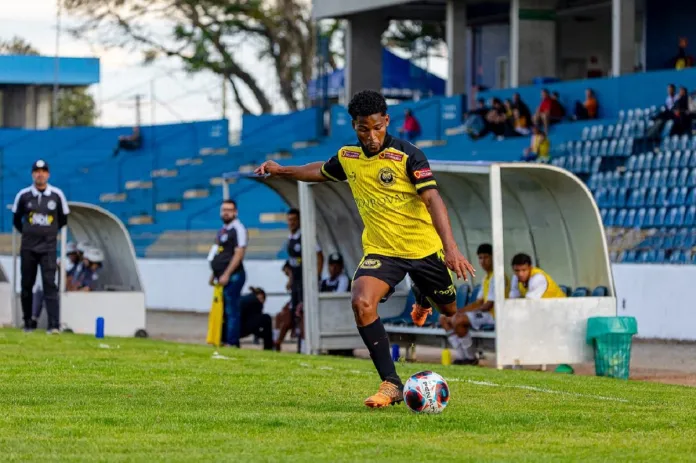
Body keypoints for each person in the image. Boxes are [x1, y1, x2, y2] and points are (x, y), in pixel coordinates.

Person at [255, 90, 475, 408]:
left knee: (451, 311)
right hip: (382, 251)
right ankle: (391, 383)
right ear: (354, 126)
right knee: (361, 302)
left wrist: (451, 249)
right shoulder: (349, 157)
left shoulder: (408, 155)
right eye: (363, 128)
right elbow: (319, 171)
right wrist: (282, 170)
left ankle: (424, 295)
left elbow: (433, 200)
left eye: (376, 127)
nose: (371, 136)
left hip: (424, 250)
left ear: (386, 121)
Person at [12, 160, 69, 334]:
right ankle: (28, 322)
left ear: (48, 174)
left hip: (48, 249)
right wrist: (30, 233)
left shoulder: (57, 195)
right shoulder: (23, 195)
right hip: (28, 248)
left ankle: (54, 324)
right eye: (37, 171)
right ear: (32, 174)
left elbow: (63, 219)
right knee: (26, 284)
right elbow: (16, 220)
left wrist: (47, 234)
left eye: (43, 171)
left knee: (50, 284)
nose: (40, 174)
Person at [439, 244, 509, 365]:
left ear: (494, 257)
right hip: (486, 314)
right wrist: (459, 311)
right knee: (444, 318)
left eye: (486, 257)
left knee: (459, 321)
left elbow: (488, 306)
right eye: (480, 258)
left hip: (496, 316)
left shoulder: (498, 277)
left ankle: (470, 358)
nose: (483, 261)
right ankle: (461, 355)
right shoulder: (486, 277)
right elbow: (479, 302)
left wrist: (464, 314)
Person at [276, 208, 324, 353]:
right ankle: (281, 343)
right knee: (291, 313)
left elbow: (320, 256)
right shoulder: (290, 238)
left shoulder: (306, 237)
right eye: (289, 220)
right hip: (296, 283)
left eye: (294, 220)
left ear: (300, 221)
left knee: (302, 313)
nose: (291, 222)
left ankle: (304, 346)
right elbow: (291, 263)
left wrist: (315, 277)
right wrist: (290, 276)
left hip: (305, 282)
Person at [208, 200, 248, 347]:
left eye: (229, 210)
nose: (226, 213)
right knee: (224, 310)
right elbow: (218, 253)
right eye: (224, 210)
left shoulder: (238, 229)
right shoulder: (223, 230)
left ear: (235, 212)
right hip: (222, 275)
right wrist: (214, 274)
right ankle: (222, 339)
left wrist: (226, 273)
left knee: (232, 310)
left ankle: (233, 342)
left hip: (234, 275)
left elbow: (239, 253)